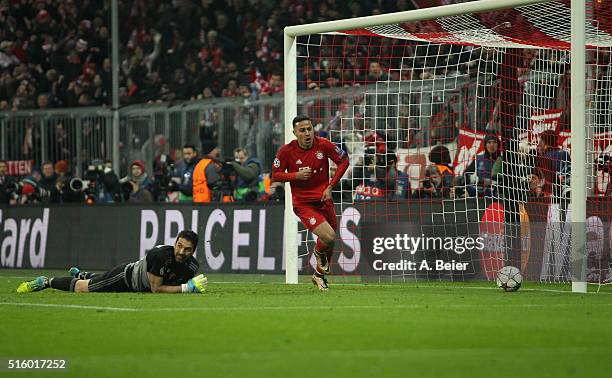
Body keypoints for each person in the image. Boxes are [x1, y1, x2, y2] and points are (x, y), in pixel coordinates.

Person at [272, 115, 350, 291]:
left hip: (324, 199)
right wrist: (295, 176)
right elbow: (275, 175)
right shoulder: (286, 151)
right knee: (328, 236)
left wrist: (330, 186)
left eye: (309, 129)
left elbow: (344, 160)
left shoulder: (323, 144)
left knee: (330, 241)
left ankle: (319, 276)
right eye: (302, 130)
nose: (307, 133)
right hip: (303, 204)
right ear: (294, 133)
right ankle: (317, 252)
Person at [17, 230, 207, 294]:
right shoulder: (160, 255)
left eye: (187, 249)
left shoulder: (192, 267)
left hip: (135, 285)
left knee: (95, 280)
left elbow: (172, 281)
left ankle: (82, 274)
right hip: (126, 277)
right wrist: (186, 288)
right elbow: (156, 288)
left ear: (193, 251)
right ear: (175, 243)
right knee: (84, 288)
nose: (181, 252)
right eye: (179, 246)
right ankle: (46, 282)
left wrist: (186, 285)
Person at [463, 133, 501, 197]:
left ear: (498, 145)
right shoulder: (478, 159)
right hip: (479, 195)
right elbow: (466, 175)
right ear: (485, 145)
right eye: (489, 142)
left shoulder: (503, 160)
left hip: (497, 195)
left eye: (494, 142)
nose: (492, 145)